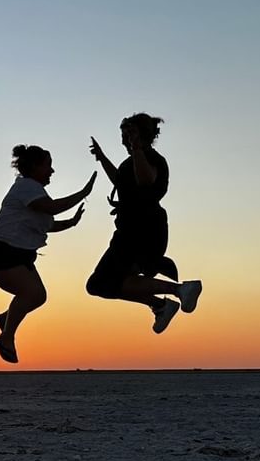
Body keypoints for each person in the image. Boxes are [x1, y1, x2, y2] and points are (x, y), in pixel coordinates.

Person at [85, 113, 202, 334]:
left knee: (99, 283)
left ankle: (178, 291)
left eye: (129, 134)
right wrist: (101, 158)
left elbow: (146, 181)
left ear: (143, 135)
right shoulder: (129, 163)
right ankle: (162, 304)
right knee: (101, 284)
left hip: (143, 232)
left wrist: (138, 148)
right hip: (128, 232)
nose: (124, 139)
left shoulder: (153, 159)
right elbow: (121, 180)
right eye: (123, 135)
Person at [0, 145, 94, 363]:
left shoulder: (35, 193)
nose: (52, 171)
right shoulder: (26, 187)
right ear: (34, 167)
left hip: (14, 254)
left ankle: (6, 319)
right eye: (48, 166)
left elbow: (48, 223)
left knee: (37, 296)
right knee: (32, 294)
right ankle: (6, 337)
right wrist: (83, 193)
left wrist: (71, 222)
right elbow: (51, 208)